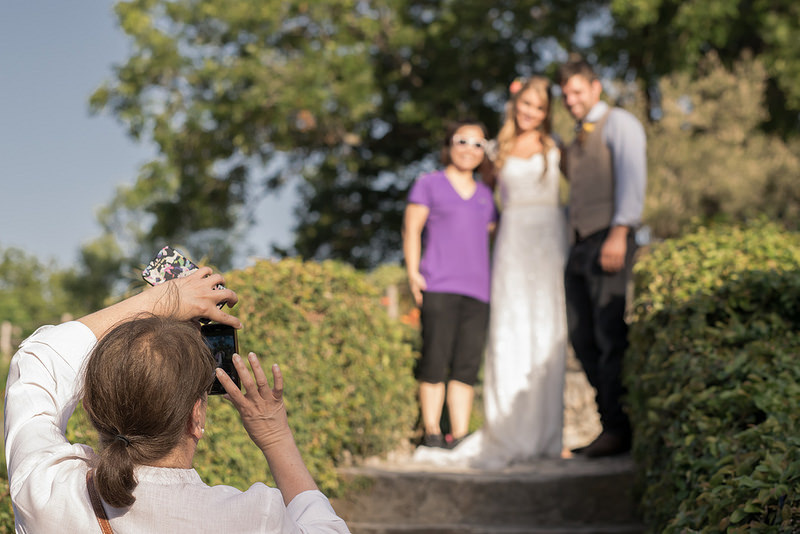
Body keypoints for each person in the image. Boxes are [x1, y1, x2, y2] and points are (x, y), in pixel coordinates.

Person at [4, 267, 350, 532]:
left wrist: (164, 298)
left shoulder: (47, 493)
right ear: (195, 417)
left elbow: (37, 361)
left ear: (92, 405)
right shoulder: (255, 519)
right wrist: (276, 438)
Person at [413, 76, 568, 468]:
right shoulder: (496, 153)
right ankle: (487, 428)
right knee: (508, 333)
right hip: (512, 245)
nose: (530, 112)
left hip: (548, 242)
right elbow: (480, 207)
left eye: (538, 106)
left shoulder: (557, 148)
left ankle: (547, 431)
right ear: (515, 105)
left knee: (546, 330)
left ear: (547, 112)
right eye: (525, 104)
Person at [558, 56, 647, 458]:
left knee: (611, 335)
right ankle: (610, 422)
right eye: (565, 94)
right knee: (582, 335)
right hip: (579, 245)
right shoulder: (577, 137)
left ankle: (619, 428)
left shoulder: (620, 123)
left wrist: (620, 230)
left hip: (608, 238)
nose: (571, 99)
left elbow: (632, 178)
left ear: (595, 87)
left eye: (577, 91)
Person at [403, 120, 498, 449]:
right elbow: (412, 230)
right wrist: (413, 273)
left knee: (466, 364)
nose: (469, 148)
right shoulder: (429, 184)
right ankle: (431, 431)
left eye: (477, 143)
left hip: (479, 291)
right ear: (449, 145)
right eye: (462, 140)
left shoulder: (487, 195)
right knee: (435, 358)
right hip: (438, 285)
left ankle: (458, 435)